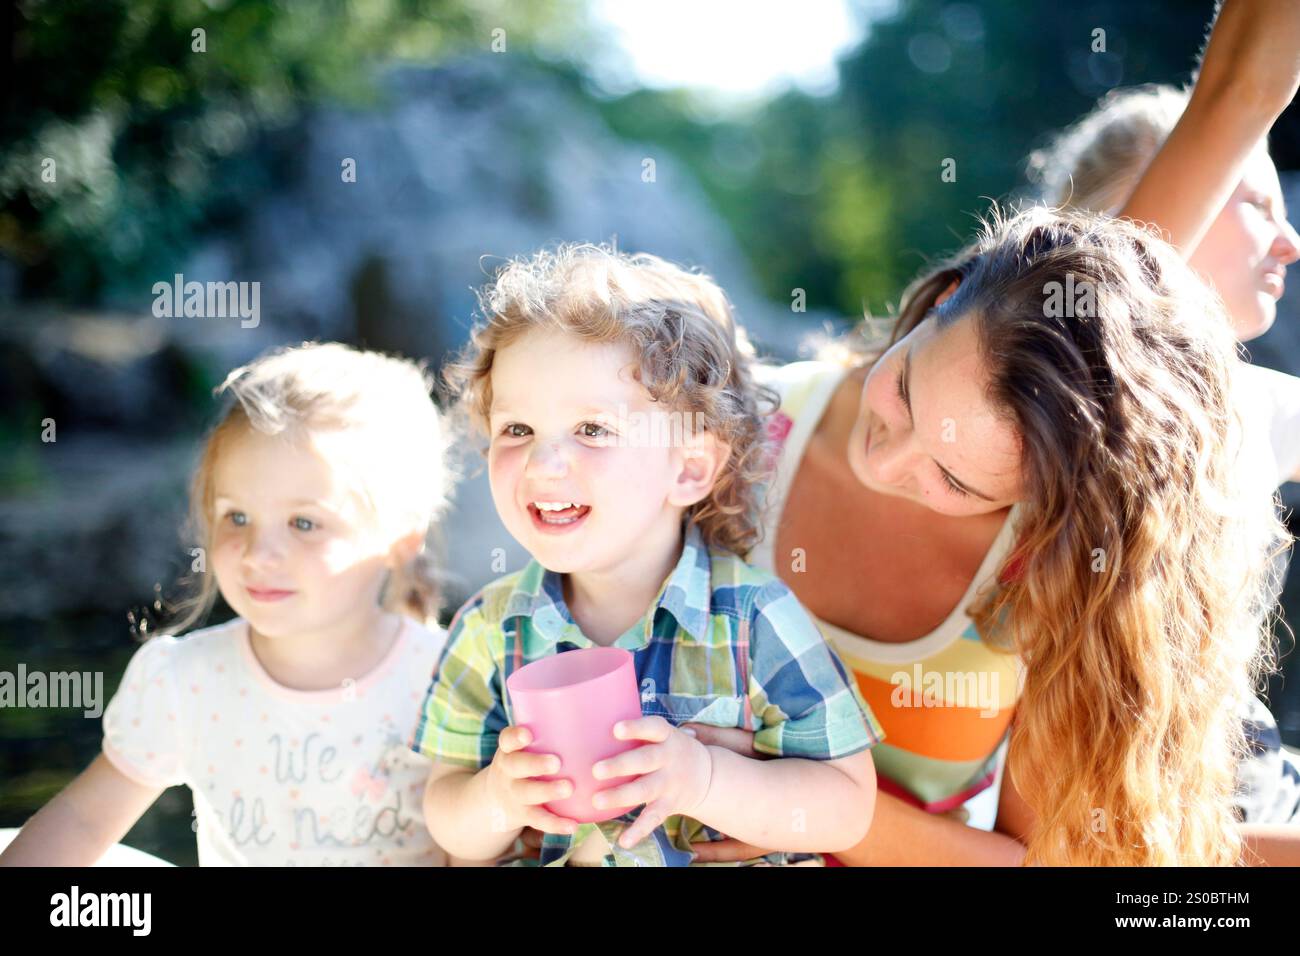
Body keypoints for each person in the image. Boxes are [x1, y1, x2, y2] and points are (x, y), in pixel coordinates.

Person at [414, 244, 883, 866]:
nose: (542, 462)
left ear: (689, 469)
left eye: (592, 430)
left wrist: (709, 780)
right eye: (517, 430)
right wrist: (497, 801)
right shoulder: (487, 628)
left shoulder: (754, 619)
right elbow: (446, 812)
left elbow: (847, 807)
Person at [0, 343, 452, 866]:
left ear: (399, 538)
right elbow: (84, 820)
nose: (259, 554)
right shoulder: (188, 678)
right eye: (236, 517)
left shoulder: (444, 680)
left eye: (304, 523)